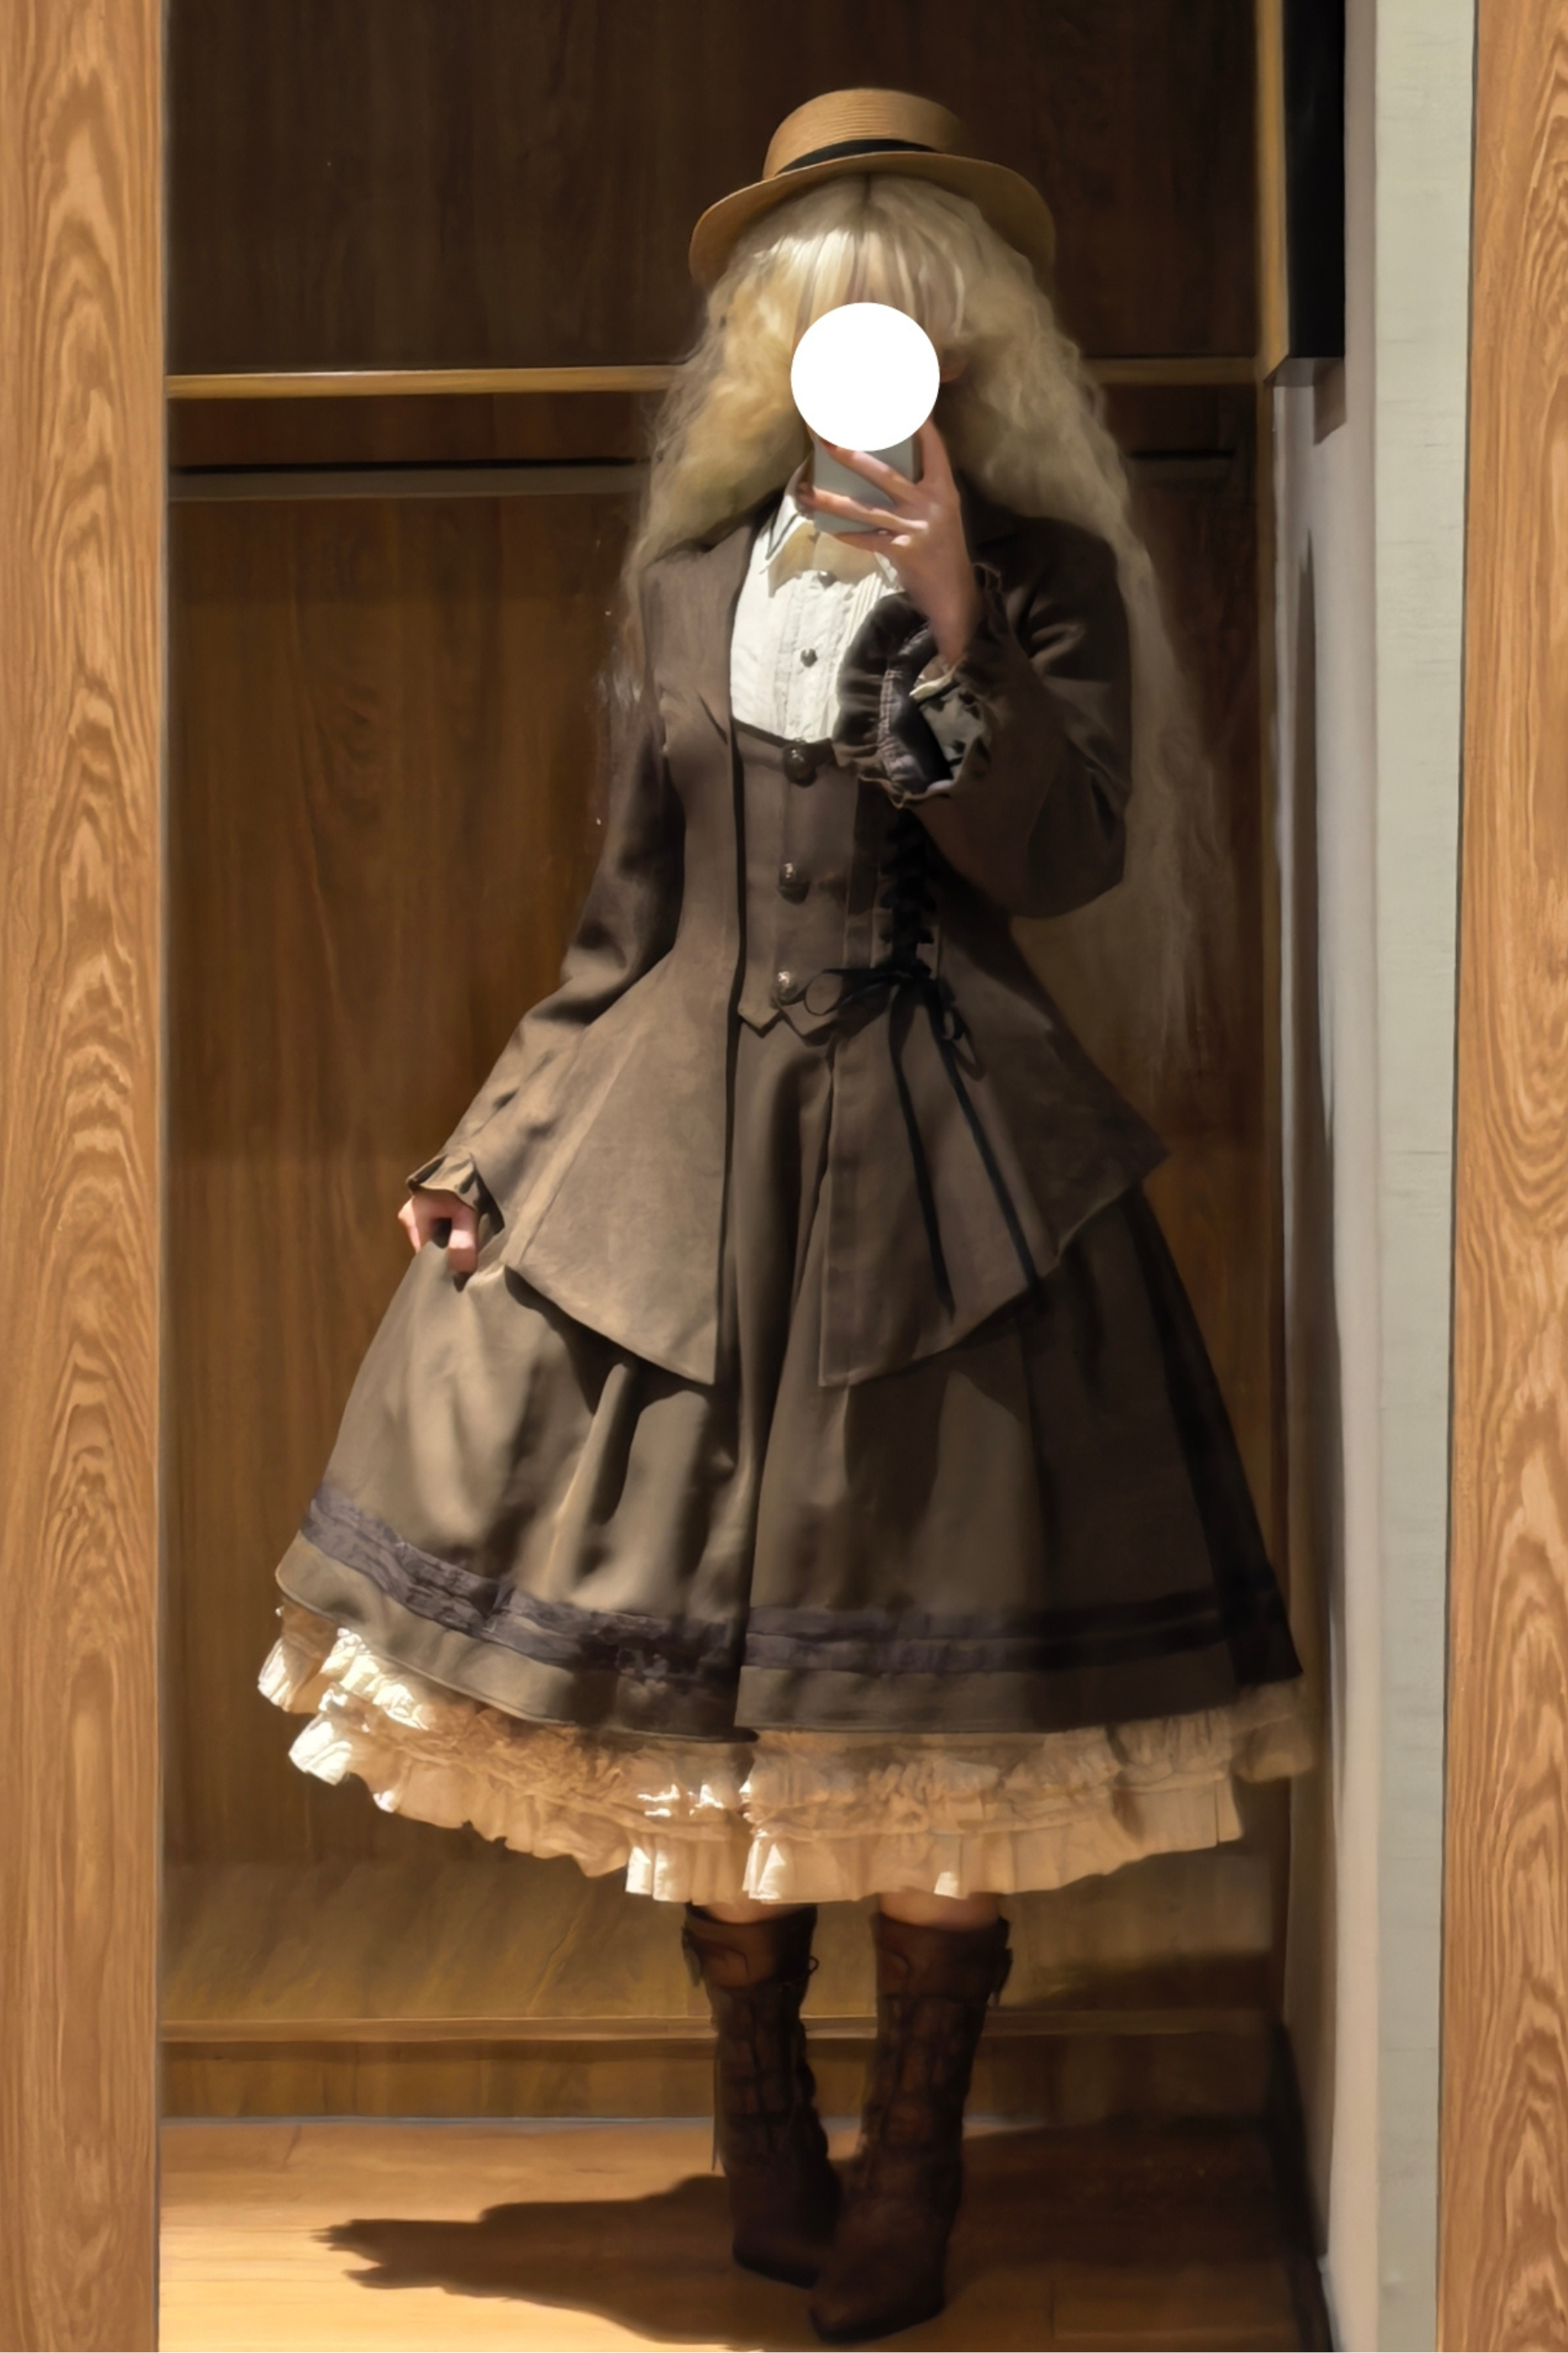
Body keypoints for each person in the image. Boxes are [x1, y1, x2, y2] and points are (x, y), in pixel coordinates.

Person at [260, 87, 1312, 2345]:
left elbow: (1065, 861)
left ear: (969, 335)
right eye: (831, 307)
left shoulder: (1046, 578)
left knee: (942, 1688)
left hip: (956, 1179)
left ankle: (918, 2154)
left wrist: (953, 616)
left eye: (911, 306)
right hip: (679, 1163)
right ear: (772, 340)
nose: (871, 342)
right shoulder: (678, 592)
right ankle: (761, 2097)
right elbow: (623, 924)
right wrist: (492, 1144)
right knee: (691, 1677)